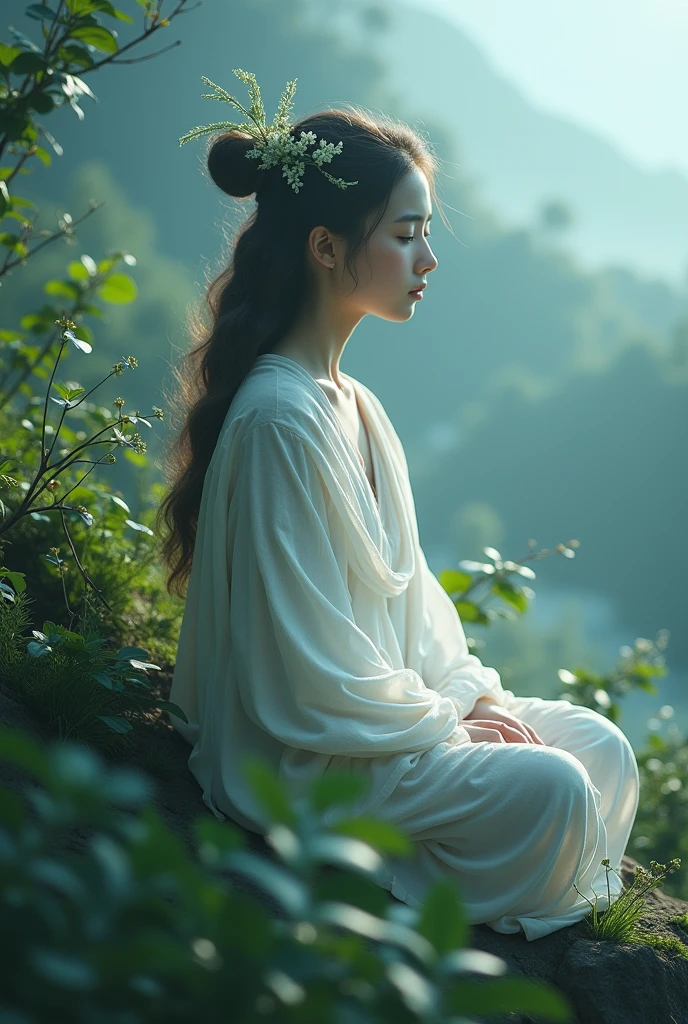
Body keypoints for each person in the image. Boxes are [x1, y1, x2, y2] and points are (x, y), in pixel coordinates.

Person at [157, 72, 640, 941]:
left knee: (600, 746)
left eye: (426, 234)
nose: (428, 259)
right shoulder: (277, 420)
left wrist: (465, 697)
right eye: (406, 234)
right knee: (558, 786)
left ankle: (480, 860)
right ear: (327, 247)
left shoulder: (358, 407)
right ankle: (442, 884)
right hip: (314, 754)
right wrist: (449, 722)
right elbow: (306, 670)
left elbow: (416, 615)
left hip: (392, 717)